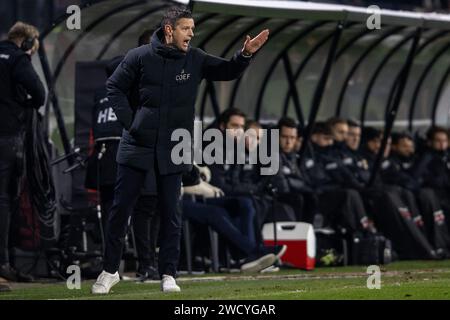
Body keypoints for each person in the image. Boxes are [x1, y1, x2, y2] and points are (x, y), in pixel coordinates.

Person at [92, 6, 269, 294]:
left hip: (174, 148)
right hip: (137, 145)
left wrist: (245, 54)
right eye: (187, 28)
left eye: (193, 28)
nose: (192, 33)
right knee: (120, 209)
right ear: (169, 30)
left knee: (171, 213)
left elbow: (227, 70)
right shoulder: (138, 57)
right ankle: (109, 271)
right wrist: (132, 124)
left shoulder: (195, 58)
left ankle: (168, 274)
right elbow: (114, 87)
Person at [0, 22, 45, 283]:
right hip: (7, 136)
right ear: (27, 43)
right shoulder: (17, 59)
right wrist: (23, 103)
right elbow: (38, 93)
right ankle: (4, 263)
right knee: (5, 198)